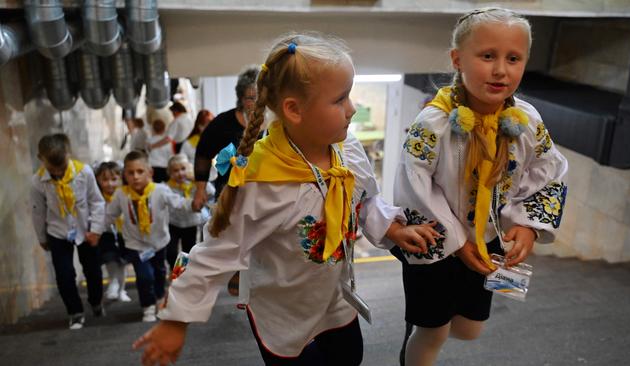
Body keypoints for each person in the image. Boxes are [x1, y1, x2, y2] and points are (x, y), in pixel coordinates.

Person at [133, 32, 440, 366]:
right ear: (294, 110)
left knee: (350, 358)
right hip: (281, 314)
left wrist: (392, 229)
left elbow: (364, 199)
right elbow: (216, 252)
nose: (353, 109)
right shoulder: (262, 181)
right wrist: (176, 320)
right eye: (340, 100)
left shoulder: (346, 149)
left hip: (335, 301)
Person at [391, 8, 569, 365]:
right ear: (458, 59)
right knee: (433, 330)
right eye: (487, 56)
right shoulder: (434, 123)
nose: (501, 69)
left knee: (471, 329)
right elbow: (413, 187)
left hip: (489, 240)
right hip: (436, 240)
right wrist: (456, 243)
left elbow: (550, 172)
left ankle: (430, 322)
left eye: (513, 58)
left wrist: (527, 228)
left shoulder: (528, 121)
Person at [191, 66, 260, 296]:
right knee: (231, 236)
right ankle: (236, 273)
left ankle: (256, 276)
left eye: (261, 97)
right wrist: (200, 190)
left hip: (261, 192)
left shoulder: (274, 125)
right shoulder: (222, 123)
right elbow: (202, 154)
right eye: (251, 98)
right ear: (241, 98)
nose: (256, 103)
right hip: (228, 192)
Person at [105, 150, 193, 322]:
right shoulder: (121, 194)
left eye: (140, 172)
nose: (135, 177)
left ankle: (160, 297)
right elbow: (109, 215)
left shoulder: (160, 190)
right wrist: (95, 231)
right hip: (136, 245)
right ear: (125, 175)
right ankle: (147, 306)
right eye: (130, 173)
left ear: (150, 172)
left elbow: (178, 203)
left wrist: (194, 205)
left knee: (160, 273)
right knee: (145, 276)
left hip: (159, 242)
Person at [30, 133, 105, 330]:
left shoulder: (84, 172)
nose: (57, 172)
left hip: (85, 230)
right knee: (64, 275)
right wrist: (42, 237)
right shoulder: (38, 181)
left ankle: (96, 301)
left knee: (93, 271)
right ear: (41, 159)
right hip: (57, 233)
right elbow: (37, 211)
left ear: (68, 154)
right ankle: (75, 312)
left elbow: (97, 202)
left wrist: (96, 230)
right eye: (52, 168)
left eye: (61, 167)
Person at [164, 154, 215, 270]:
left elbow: (211, 192)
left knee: (187, 252)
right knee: (171, 252)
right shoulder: (167, 187)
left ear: (189, 169)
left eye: (183, 169)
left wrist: (196, 179)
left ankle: (179, 275)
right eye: (175, 171)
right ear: (170, 173)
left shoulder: (195, 184)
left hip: (190, 224)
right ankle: (174, 270)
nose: (180, 173)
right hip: (173, 223)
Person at [95, 161, 131, 303]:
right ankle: (113, 283)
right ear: (98, 180)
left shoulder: (125, 194)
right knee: (110, 259)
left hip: (124, 233)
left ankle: (122, 289)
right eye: (105, 180)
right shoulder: (97, 197)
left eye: (114, 179)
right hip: (106, 233)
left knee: (122, 263)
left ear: (121, 179)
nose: (109, 184)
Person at [147, 119, 175, 183]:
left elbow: (147, 152)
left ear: (153, 129)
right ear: (164, 129)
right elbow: (171, 156)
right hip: (164, 167)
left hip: (152, 167)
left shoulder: (148, 140)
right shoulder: (169, 142)